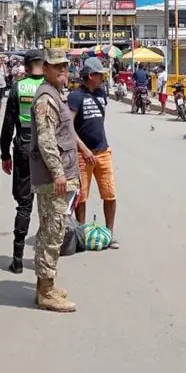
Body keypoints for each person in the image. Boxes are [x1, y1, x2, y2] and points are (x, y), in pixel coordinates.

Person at [30, 48, 79, 313]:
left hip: (58, 174)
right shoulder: (46, 98)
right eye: (57, 66)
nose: (62, 70)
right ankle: (46, 292)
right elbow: (47, 139)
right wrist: (58, 172)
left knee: (52, 228)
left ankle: (44, 285)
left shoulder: (55, 95)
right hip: (52, 177)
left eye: (65, 66)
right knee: (53, 230)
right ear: (45, 69)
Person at [0, 50, 44, 274]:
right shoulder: (51, 86)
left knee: (24, 205)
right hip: (47, 152)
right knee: (46, 208)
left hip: (24, 149)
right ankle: (45, 261)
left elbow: (8, 125)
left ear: (25, 67)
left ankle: (17, 259)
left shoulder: (18, 87)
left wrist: (4, 154)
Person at [68, 57, 119, 248]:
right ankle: (81, 235)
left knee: (110, 194)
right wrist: (83, 149)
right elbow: (69, 127)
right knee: (81, 197)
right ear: (90, 76)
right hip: (83, 155)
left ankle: (110, 232)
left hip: (103, 151)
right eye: (100, 75)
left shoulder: (101, 93)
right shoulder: (75, 96)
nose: (103, 78)